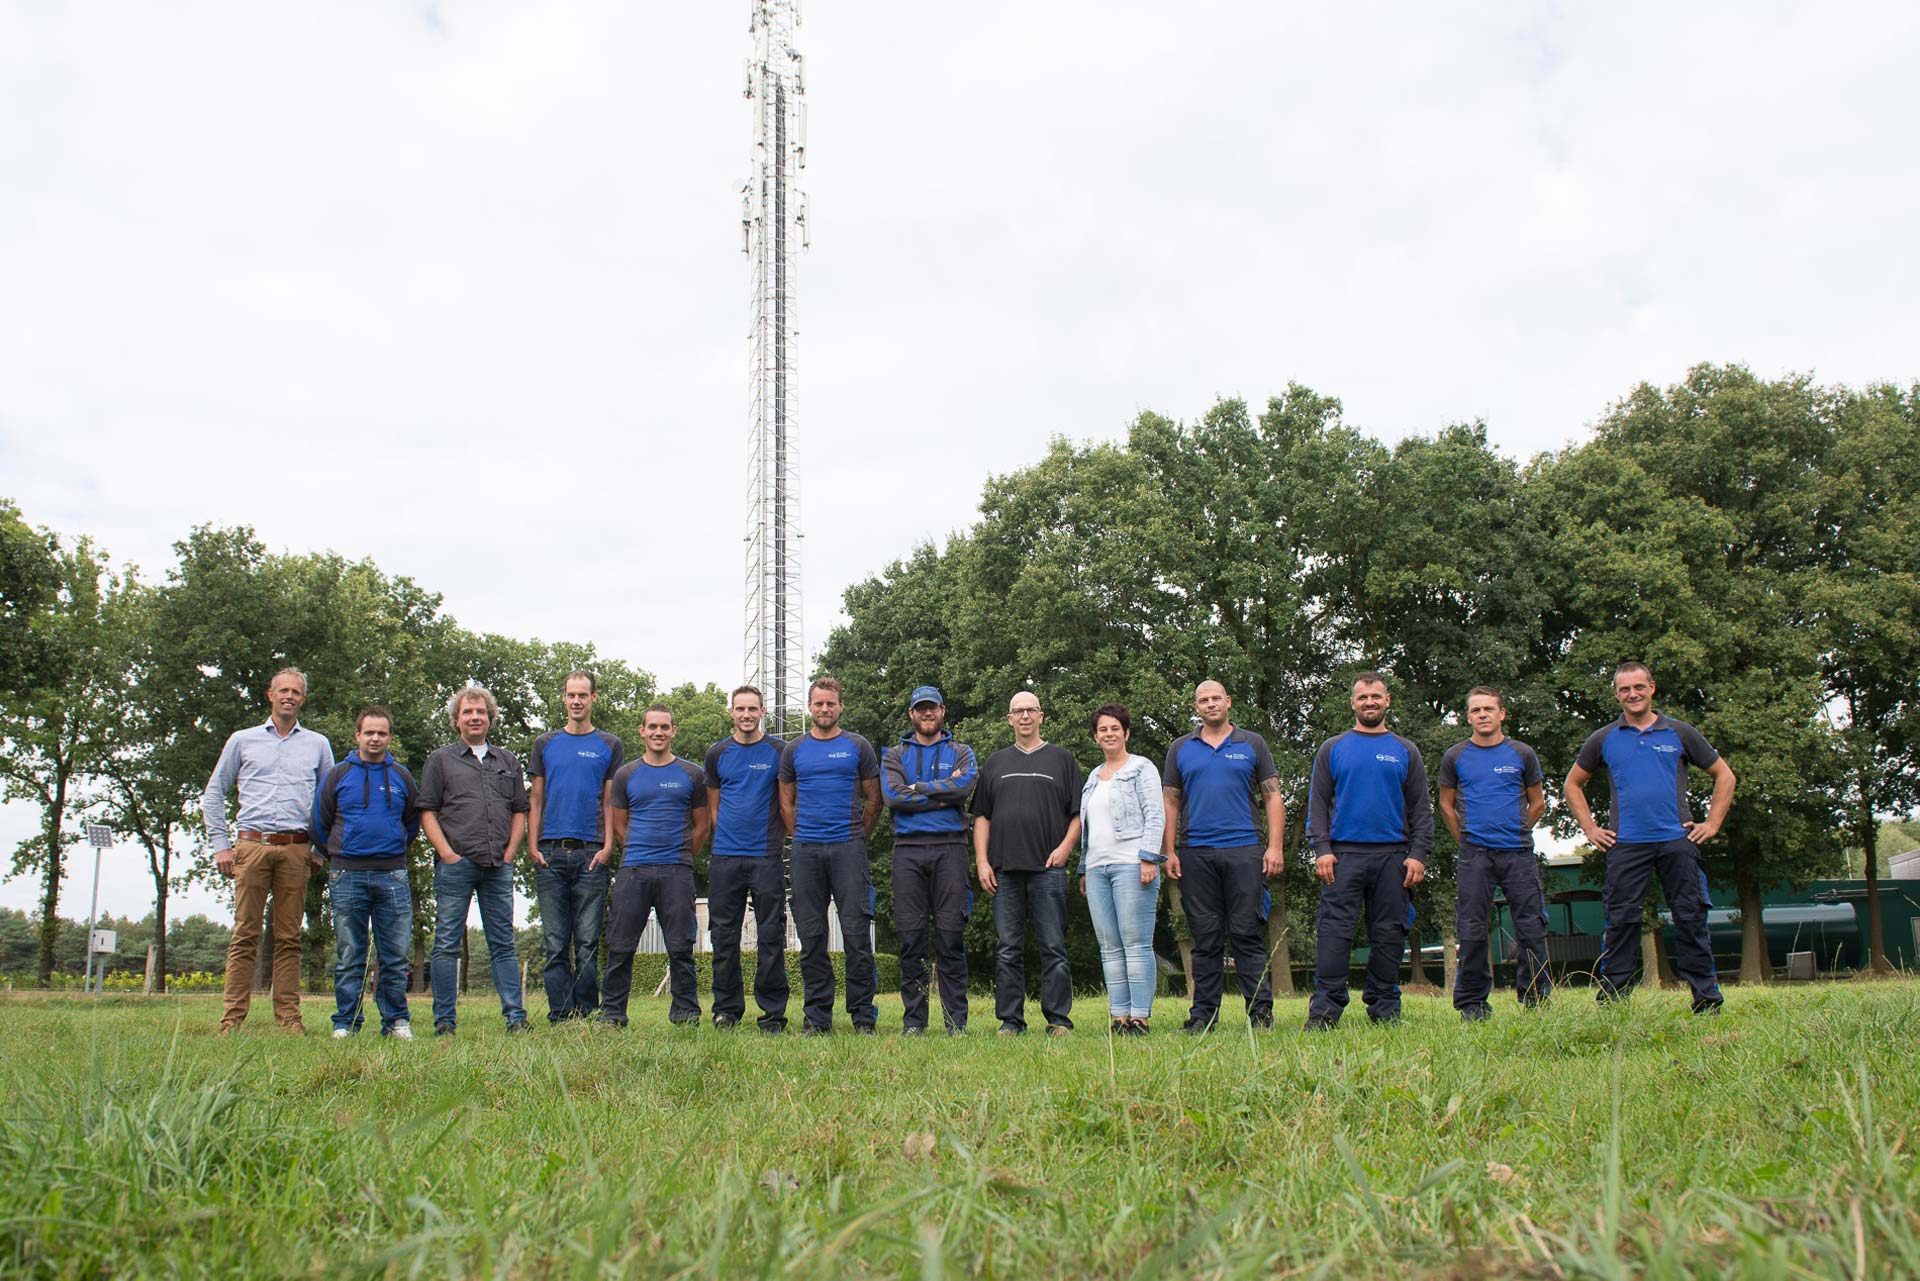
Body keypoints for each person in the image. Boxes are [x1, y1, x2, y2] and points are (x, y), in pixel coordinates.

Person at [1564, 662, 1736, 1014]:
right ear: (1616, 694)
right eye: (1625, 689)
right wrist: (1591, 829)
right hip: (1626, 844)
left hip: (1678, 841)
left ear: (1652, 688)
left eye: (1639, 687)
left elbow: (1725, 775)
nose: (1633, 694)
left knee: (1690, 918)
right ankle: (1614, 1004)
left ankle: (1707, 1002)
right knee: (1621, 921)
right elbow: (1572, 784)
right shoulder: (1603, 739)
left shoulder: (1680, 733)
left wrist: (1712, 824)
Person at [202, 667, 335, 1035]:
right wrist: (221, 846)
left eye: (296, 692)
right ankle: (232, 1019)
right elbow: (214, 793)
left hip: (296, 848)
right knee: (245, 933)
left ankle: (289, 1019)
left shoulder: (318, 744)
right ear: (271, 695)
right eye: (283, 691)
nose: (289, 697)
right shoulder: (242, 740)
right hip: (251, 846)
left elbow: (330, 800)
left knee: (289, 937)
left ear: (303, 699)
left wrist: (319, 849)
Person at [1304, 672, 1435, 1030]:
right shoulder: (1333, 748)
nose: (1370, 702)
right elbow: (1317, 804)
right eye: (1363, 697)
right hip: (1341, 857)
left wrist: (1419, 853)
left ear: (1387, 701)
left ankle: (1385, 1009)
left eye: (1376, 696)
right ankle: (1324, 1012)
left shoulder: (1406, 750)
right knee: (1334, 934)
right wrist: (1321, 849)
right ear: (1353, 703)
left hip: (1394, 857)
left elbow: (1420, 808)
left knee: (1390, 934)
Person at [1162, 680, 1285, 1033]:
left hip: (1245, 849)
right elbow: (1170, 801)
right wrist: (1168, 851)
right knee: (1205, 938)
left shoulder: (1253, 744)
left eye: (1216, 698)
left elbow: (1273, 796)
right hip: (1196, 852)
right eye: (1204, 700)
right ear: (1196, 707)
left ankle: (1260, 1015)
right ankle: (1203, 1016)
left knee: (1246, 933)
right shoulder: (1180, 748)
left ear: (1228, 702)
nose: (1211, 704)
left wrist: (1275, 847)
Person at [419, 684, 531, 1036]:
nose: (474, 717)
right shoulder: (440, 760)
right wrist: (447, 854)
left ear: (490, 718)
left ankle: (515, 1017)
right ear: (457, 720)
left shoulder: (508, 761)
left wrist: (511, 852)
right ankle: (444, 1021)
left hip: (498, 865)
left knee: (503, 944)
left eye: (481, 712)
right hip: (457, 864)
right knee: (446, 944)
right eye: (467, 712)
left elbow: (520, 810)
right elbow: (427, 811)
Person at [972, 691, 1082, 1036]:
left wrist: (1065, 849)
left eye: (1030, 710)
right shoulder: (995, 763)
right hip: (1004, 871)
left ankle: (1058, 1020)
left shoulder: (1062, 760)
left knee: (1053, 946)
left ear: (1041, 716)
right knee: (1008, 949)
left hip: (1049, 869)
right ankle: (1011, 1021)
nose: (1024, 716)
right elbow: (982, 817)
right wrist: (982, 862)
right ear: (1009, 719)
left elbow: (1078, 813)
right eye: (1018, 711)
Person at [1437, 686, 1550, 1021]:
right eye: (1476, 710)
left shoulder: (1523, 753)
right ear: (1468, 717)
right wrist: (1466, 840)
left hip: (1518, 854)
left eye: (1488, 709)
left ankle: (1536, 1000)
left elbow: (1538, 802)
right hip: (1475, 856)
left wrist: (1516, 830)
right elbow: (1445, 805)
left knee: (1531, 927)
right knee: (1471, 929)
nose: (1482, 714)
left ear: (1502, 714)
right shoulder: (1455, 756)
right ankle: (1472, 1004)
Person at [779, 677, 883, 1034]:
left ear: (841, 707)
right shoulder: (793, 750)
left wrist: (857, 836)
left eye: (831, 703)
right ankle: (816, 1017)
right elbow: (786, 802)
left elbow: (875, 799)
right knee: (811, 938)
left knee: (856, 935)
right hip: (806, 853)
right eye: (819, 703)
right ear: (810, 706)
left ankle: (863, 1017)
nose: (825, 709)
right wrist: (802, 836)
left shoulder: (858, 746)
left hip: (848, 849)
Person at [312, 705, 420, 1039]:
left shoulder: (402, 777)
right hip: (347, 875)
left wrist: (392, 847)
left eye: (382, 733)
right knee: (350, 954)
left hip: (392, 874)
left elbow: (411, 823)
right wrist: (339, 852)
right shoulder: (338, 775)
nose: (375, 738)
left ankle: (396, 1021)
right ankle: (346, 1022)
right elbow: (319, 822)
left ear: (390, 737)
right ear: (357, 735)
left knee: (395, 955)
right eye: (369, 732)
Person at [527, 671, 625, 1023]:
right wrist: (532, 845)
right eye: (571, 695)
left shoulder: (609, 744)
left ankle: (586, 1010)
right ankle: (560, 1012)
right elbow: (535, 799)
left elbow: (610, 801)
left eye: (583, 695)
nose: (576, 701)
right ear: (564, 698)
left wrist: (608, 845)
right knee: (555, 943)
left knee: (587, 941)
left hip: (591, 853)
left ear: (593, 698)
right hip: (549, 852)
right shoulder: (545, 743)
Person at [603, 704, 710, 1027]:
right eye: (652, 727)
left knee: (680, 947)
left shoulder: (693, 775)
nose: (658, 732)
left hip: (676, 871)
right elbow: (619, 825)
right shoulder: (626, 775)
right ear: (642, 732)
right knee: (621, 946)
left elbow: (702, 826)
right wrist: (640, 851)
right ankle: (612, 1014)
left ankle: (686, 1015)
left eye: (664, 727)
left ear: (673, 731)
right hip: (633, 870)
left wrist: (679, 855)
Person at [880, 685, 977, 1035]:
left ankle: (956, 1023)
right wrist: (942, 792)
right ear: (911, 714)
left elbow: (964, 788)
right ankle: (914, 1023)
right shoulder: (894, 755)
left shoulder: (961, 751)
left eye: (932, 707)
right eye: (920, 708)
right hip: (908, 851)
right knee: (912, 939)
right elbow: (893, 797)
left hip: (951, 849)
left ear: (942, 711)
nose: (927, 713)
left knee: (951, 937)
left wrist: (918, 789)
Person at [702, 685, 789, 1032]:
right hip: (725, 857)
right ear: (732, 712)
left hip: (767, 857)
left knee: (771, 936)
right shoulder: (716, 753)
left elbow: (787, 802)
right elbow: (714, 807)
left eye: (753, 709)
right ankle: (726, 1010)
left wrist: (774, 840)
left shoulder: (780, 752)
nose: (746, 715)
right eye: (740, 709)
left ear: (763, 711)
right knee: (724, 937)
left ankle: (773, 1013)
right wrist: (728, 839)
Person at [1079, 704, 1165, 1035]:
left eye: (1115, 728)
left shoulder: (1142, 768)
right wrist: (1084, 869)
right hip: (1097, 868)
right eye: (1103, 729)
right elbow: (1087, 828)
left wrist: (1148, 857)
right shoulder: (1092, 777)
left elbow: (1155, 814)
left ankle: (1139, 1017)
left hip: (1132, 864)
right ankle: (1119, 1016)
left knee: (1136, 943)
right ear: (1095, 737)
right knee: (1109, 946)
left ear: (1126, 733)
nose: (1109, 734)